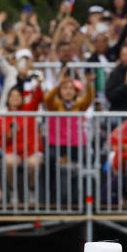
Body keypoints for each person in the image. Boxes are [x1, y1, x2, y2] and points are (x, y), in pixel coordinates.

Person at [43, 70, 96, 204]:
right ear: (60, 91)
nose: (68, 91)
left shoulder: (79, 106)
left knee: (86, 161)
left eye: (71, 88)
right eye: (65, 88)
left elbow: (89, 98)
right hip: (57, 144)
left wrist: (89, 84)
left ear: (76, 91)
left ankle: (84, 198)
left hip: (76, 144)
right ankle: (51, 197)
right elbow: (47, 99)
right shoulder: (55, 105)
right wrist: (57, 85)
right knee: (49, 160)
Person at [0, 85, 44, 205]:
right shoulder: (3, 119)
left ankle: (31, 189)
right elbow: (2, 143)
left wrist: (38, 83)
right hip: (14, 151)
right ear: (8, 99)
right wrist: (10, 133)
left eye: (18, 96)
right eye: (12, 96)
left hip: (31, 150)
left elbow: (38, 98)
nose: (15, 98)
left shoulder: (29, 109)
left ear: (22, 98)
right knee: (9, 162)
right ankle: (13, 191)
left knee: (33, 163)